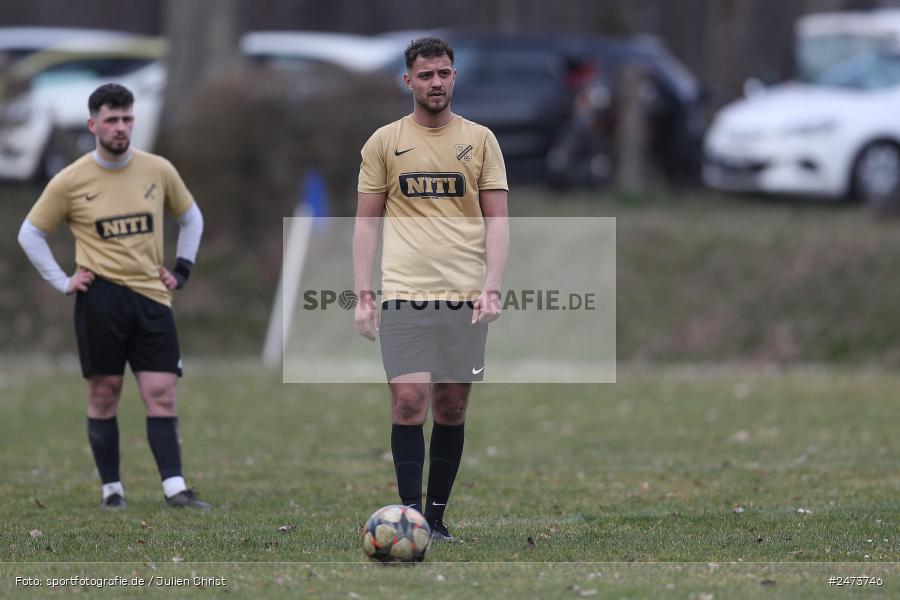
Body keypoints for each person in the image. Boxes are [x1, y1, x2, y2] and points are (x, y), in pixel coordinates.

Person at [17, 83, 211, 510]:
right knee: (104, 392)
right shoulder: (71, 180)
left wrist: (182, 269)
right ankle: (112, 490)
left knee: (161, 390)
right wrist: (61, 280)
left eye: (127, 119)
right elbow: (30, 233)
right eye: (112, 120)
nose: (121, 128)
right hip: (99, 299)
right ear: (94, 124)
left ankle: (175, 489)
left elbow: (191, 218)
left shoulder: (157, 170)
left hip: (151, 298)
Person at [353, 38, 509, 541]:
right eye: (425, 75)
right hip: (404, 291)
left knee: (451, 406)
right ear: (408, 82)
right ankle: (408, 516)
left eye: (443, 73)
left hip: (464, 296)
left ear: (454, 77)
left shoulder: (481, 140)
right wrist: (363, 293)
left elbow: (498, 221)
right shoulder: (384, 142)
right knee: (408, 400)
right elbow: (366, 224)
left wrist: (492, 285)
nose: (435, 82)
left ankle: (436, 519)